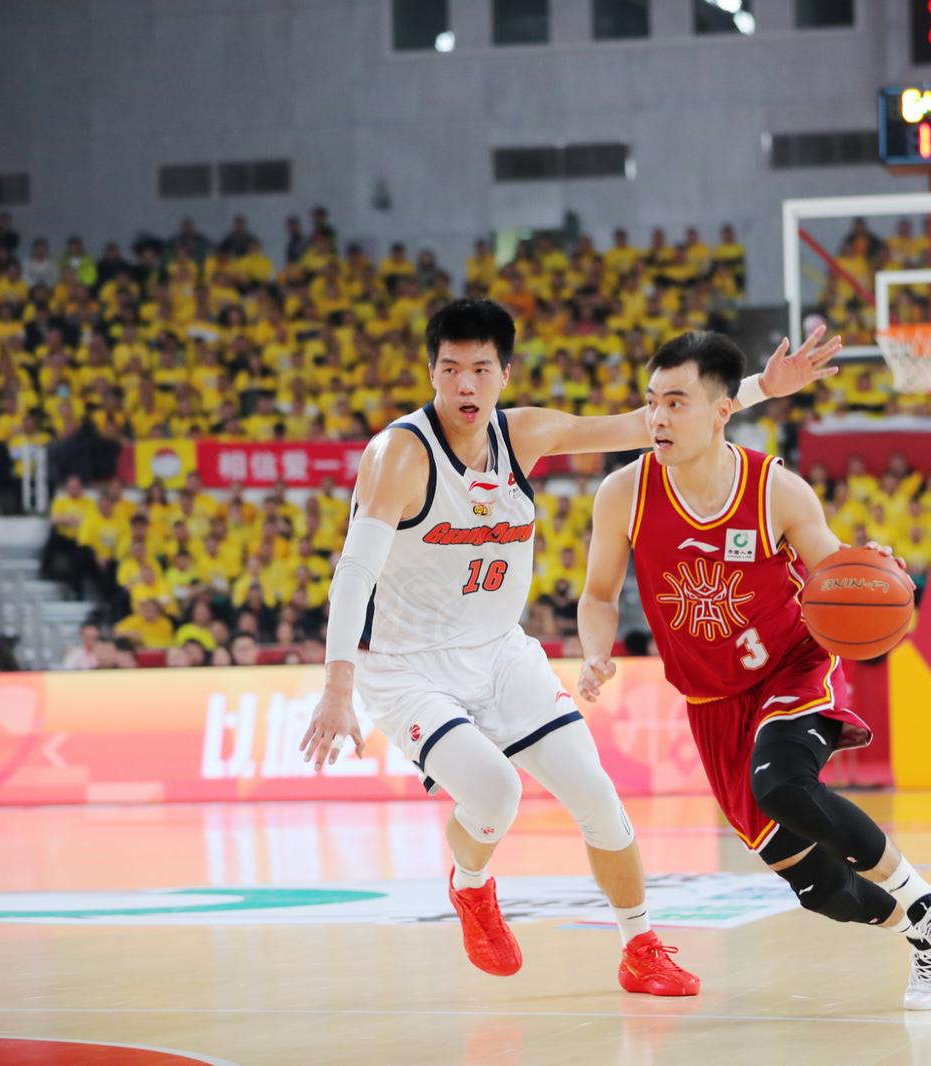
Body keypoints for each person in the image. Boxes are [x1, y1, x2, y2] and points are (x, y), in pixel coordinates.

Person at [299, 298, 838, 997]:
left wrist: (763, 387)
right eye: (450, 369)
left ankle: (640, 947)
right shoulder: (398, 456)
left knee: (598, 799)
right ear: (431, 373)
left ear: (504, 374)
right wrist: (337, 687)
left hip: (499, 653)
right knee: (495, 791)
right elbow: (354, 573)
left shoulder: (524, 434)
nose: (465, 385)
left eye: (481, 369)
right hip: (407, 668)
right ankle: (471, 885)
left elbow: (646, 424)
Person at [575, 331, 931, 1011]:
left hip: (792, 668)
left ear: (722, 410)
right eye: (651, 402)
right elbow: (597, 596)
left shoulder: (774, 490)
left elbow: (835, 570)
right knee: (821, 890)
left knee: (783, 785)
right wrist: (596, 651)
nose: (657, 418)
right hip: (711, 703)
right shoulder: (624, 493)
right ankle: (921, 932)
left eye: (675, 402)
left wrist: (871, 567)